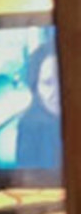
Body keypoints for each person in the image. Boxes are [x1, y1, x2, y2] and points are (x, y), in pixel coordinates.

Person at [16, 43, 63, 172]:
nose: (57, 91)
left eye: (62, 80)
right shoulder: (29, 126)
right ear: (36, 87)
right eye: (48, 83)